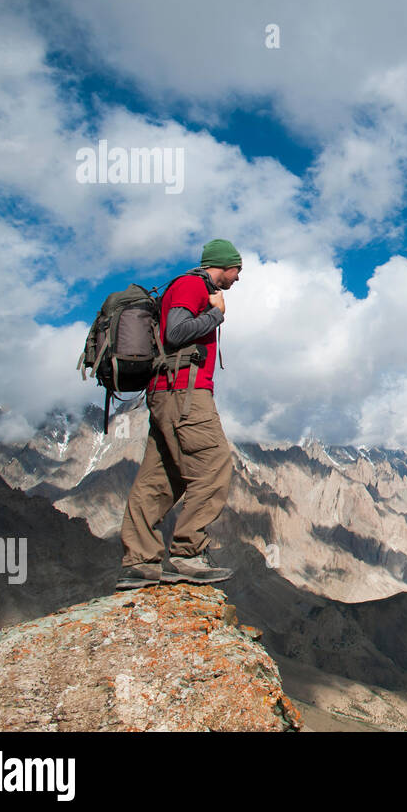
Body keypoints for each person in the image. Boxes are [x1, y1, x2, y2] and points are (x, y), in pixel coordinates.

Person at [115, 239, 242, 589]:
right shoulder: (191, 285)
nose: (238, 278)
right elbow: (175, 331)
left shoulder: (188, 286)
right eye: (237, 270)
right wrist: (217, 314)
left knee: (162, 477)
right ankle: (188, 554)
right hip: (184, 393)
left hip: (166, 393)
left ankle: (139, 562)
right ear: (222, 265)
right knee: (214, 464)